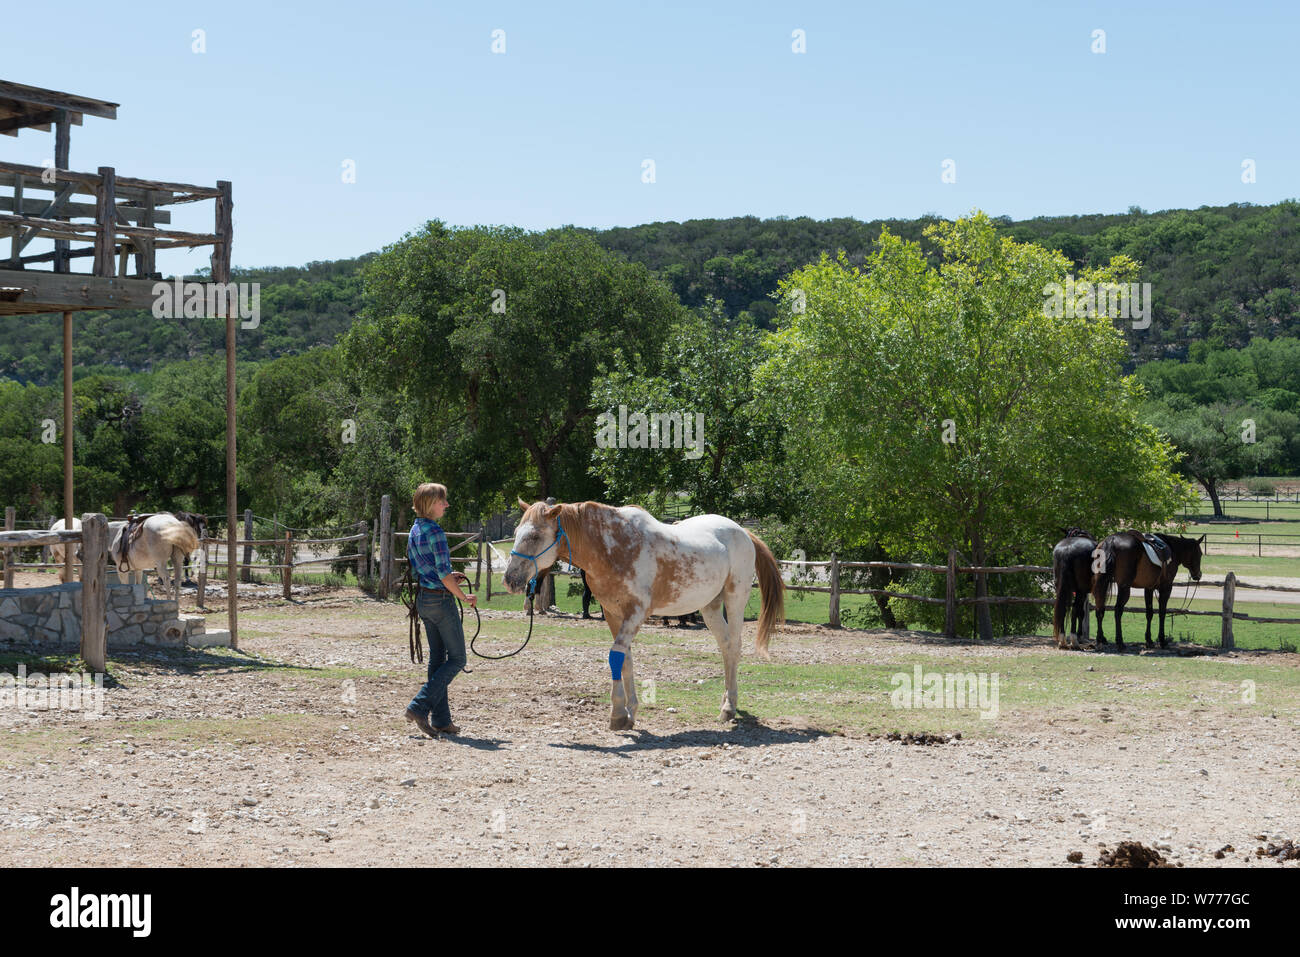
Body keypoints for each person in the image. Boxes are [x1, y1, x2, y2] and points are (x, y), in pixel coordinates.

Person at [403, 482, 476, 738]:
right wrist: (464, 596)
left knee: (438, 658)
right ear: (431, 503)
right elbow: (444, 575)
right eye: (442, 501)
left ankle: (442, 719)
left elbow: (428, 568)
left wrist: (446, 578)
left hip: (424, 599)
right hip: (441, 601)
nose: (446, 504)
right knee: (457, 659)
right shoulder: (435, 531)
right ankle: (419, 705)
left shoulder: (415, 529)